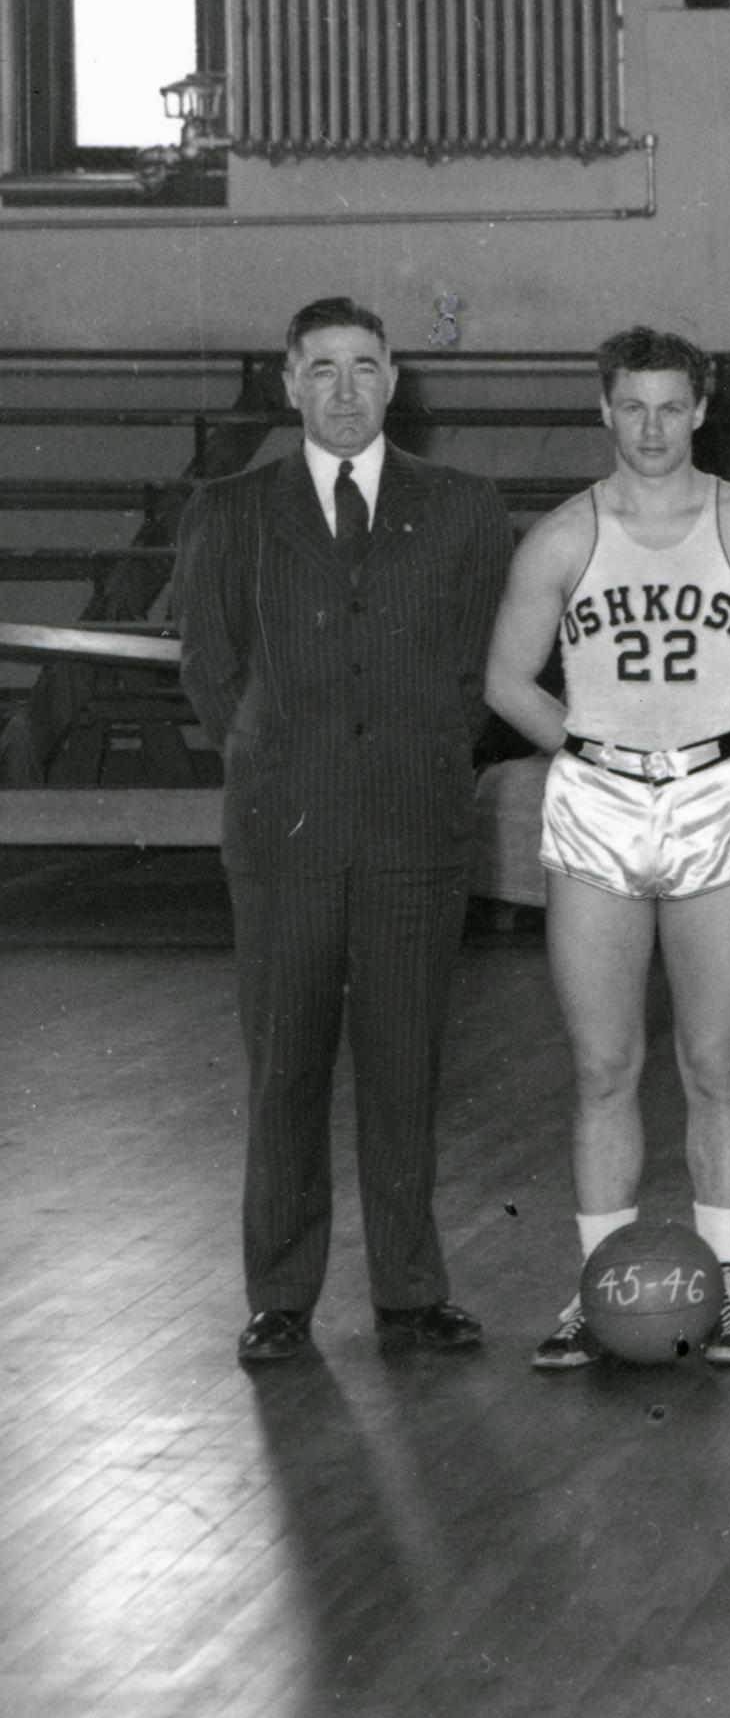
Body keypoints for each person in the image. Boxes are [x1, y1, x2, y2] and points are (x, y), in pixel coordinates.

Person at [483, 328, 730, 1370]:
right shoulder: (561, 536)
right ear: (604, 408)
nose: (650, 427)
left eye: (670, 406)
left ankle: (724, 1290)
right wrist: (585, 748)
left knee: (714, 1064)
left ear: (700, 409)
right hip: (595, 800)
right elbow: (506, 680)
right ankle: (597, 1292)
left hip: (714, 798)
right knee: (602, 1066)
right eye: (631, 406)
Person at [176, 295, 513, 1365]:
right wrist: (288, 761)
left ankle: (411, 1294)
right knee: (285, 1069)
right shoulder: (231, 508)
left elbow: (477, 673)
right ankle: (280, 1296)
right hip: (286, 832)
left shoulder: (462, 506)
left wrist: (412, 765)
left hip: (416, 830)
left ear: (395, 378)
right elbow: (211, 668)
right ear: (288, 382)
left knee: (406, 1065)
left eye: (364, 367)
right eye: (321, 369)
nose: (345, 390)